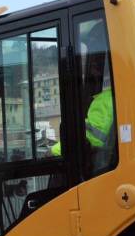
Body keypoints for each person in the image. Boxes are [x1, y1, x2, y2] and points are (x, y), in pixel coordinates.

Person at [49, 21, 114, 161]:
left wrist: (54, 151)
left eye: (98, 61)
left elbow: (91, 138)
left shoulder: (106, 100)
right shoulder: (115, 97)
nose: (92, 68)